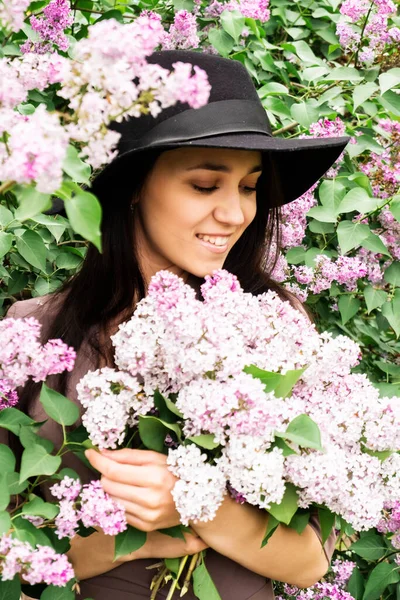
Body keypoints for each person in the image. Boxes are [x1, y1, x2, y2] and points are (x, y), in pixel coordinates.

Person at [5, 50, 349, 600]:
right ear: (136, 186)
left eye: (248, 186)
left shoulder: (276, 326)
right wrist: (139, 538)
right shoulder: (37, 337)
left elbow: (310, 562)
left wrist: (197, 502)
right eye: (206, 185)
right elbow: (15, 559)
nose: (236, 214)